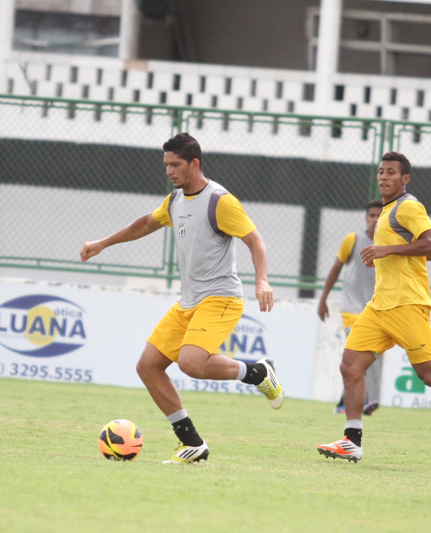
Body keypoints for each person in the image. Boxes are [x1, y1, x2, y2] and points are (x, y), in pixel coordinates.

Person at [80, 133, 283, 464]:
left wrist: (262, 280)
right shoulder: (175, 200)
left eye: (175, 165)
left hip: (221, 298)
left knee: (191, 363)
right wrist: (104, 242)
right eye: (166, 165)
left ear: (194, 164)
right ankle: (193, 443)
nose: (169, 171)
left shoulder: (220, 200)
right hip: (188, 302)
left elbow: (256, 241)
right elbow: (146, 222)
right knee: (148, 366)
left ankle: (258, 372)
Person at [317, 151, 431, 464]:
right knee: (350, 366)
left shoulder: (408, 206)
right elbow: (420, 251)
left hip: (408, 305)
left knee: (430, 375)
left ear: (405, 179)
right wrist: (399, 251)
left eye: (390, 172)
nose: (383, 177)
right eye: (381, 171)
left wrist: (388, 250)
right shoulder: (387, 212)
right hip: (379, 306)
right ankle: (352, 440)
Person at [317, 199, 383, 416]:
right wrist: (323, 298)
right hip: (352, 310)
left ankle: (343, 403)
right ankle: (366, 399)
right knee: (359, 355)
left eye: (379, 215)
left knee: (362, 358)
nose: (375, 219)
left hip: (377, 311)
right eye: (371, 215)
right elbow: (336, 268)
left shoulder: (390, 246)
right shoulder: (353, 240)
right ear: (366, 217)